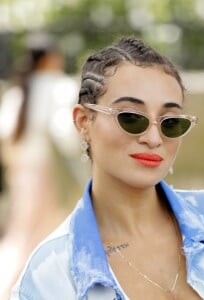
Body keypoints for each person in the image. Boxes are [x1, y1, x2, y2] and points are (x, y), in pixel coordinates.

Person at [9, 36, 204, 300]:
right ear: (84, 122)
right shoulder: (48, 278)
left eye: (171, 122)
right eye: (131, 117)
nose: (152, 138)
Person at [0, 32, 79, 299]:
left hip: (21, 171)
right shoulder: (57, 85)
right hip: (45, 171)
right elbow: (63, 130)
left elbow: (6, 134)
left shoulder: (18, 87)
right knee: (31, 233)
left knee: (30, 229)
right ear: (50, 58)